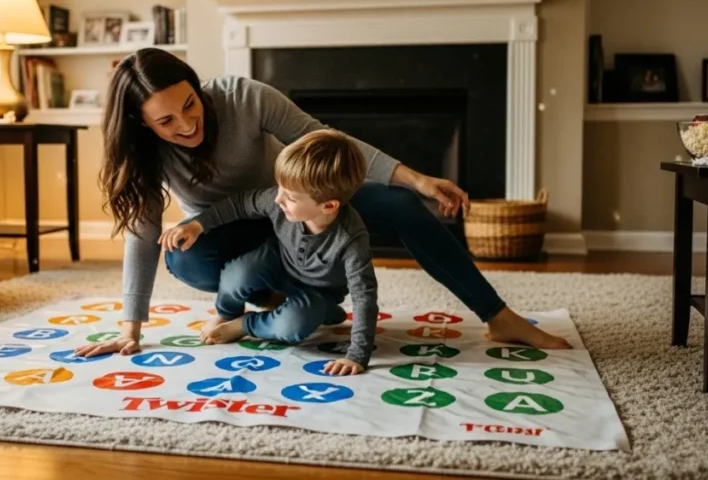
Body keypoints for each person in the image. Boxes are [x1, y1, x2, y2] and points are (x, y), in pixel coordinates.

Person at [73, 48, 570, 359]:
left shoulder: (243, 98)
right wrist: (130, 328)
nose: (186, 124)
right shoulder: (143, 154)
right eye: (166, 122)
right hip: (238, 227)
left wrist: (417, 179)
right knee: (183, 255)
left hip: (303, 209)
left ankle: (498, 316)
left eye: (189, 104)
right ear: (142, 125)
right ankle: (280, 302)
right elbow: (142, 235)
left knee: (402, 206)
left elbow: (328, 141)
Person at [158, 129, 378, 376]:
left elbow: (364, 295)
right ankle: (228, 314)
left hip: (318, 291)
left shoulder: (350, 239)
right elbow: (239, 204)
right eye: (279, 189)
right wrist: (198, 224)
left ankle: (247, 324)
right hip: (278, 264)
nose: (277, 199)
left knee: (293, 326)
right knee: (238, 273)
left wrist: (357, 355)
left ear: (328, 206)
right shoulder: (277, 200)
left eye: (290, 197)